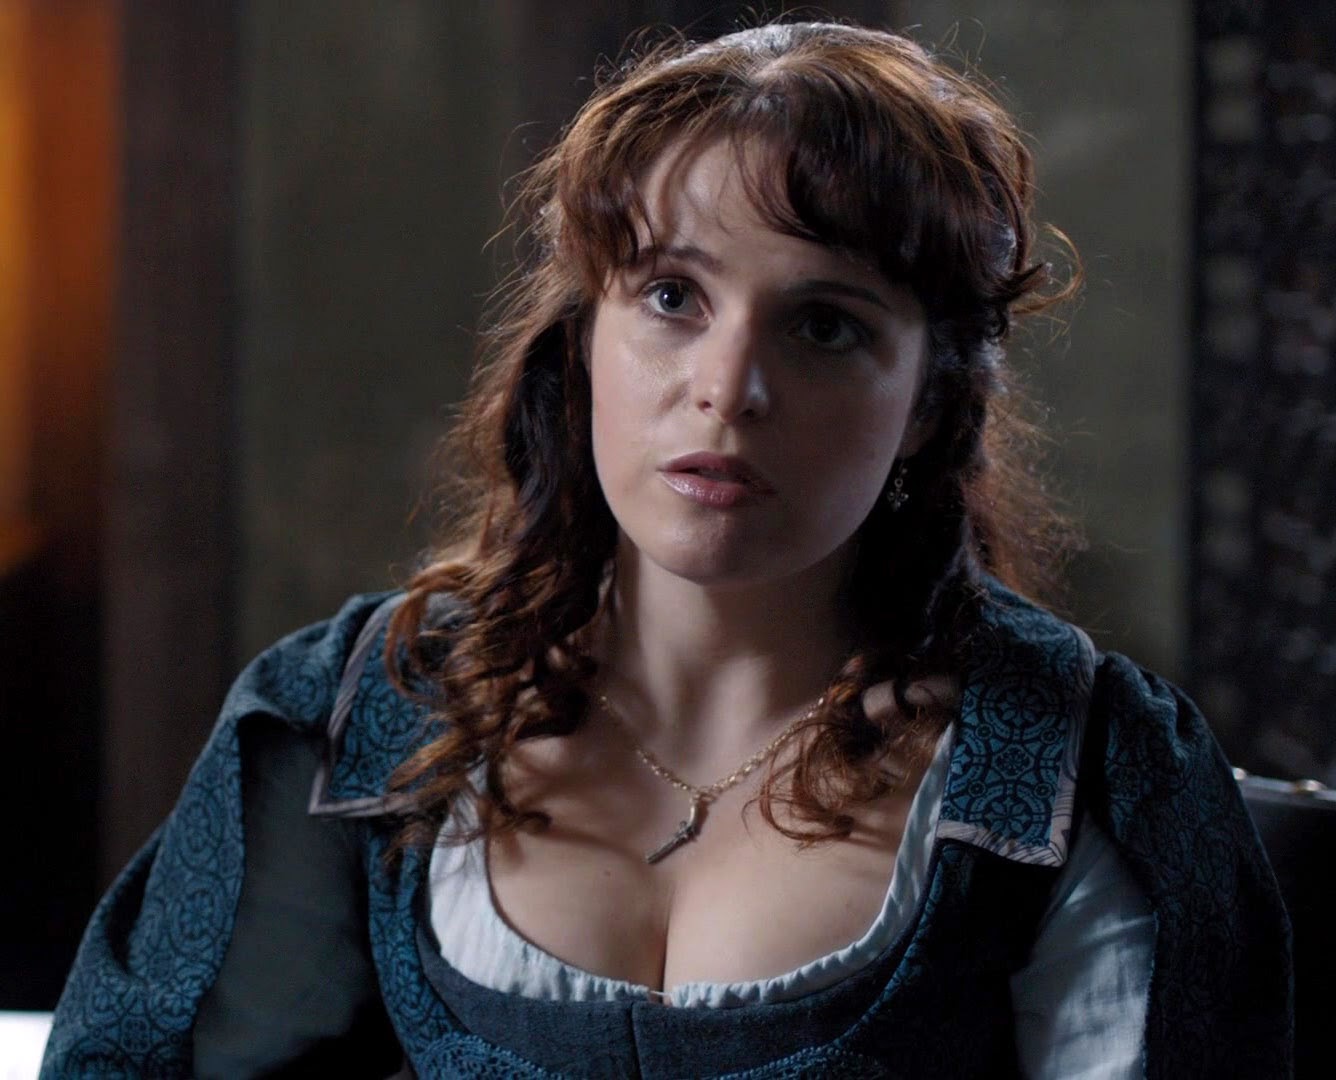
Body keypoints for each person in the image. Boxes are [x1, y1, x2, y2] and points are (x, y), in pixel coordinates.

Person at [43, 20, 1291, 1079]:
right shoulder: (361, 715)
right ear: (585, 338)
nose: (728, 388)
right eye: (671, 297)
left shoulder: (1078, 769)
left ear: (925, 401)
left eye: (824, 325)